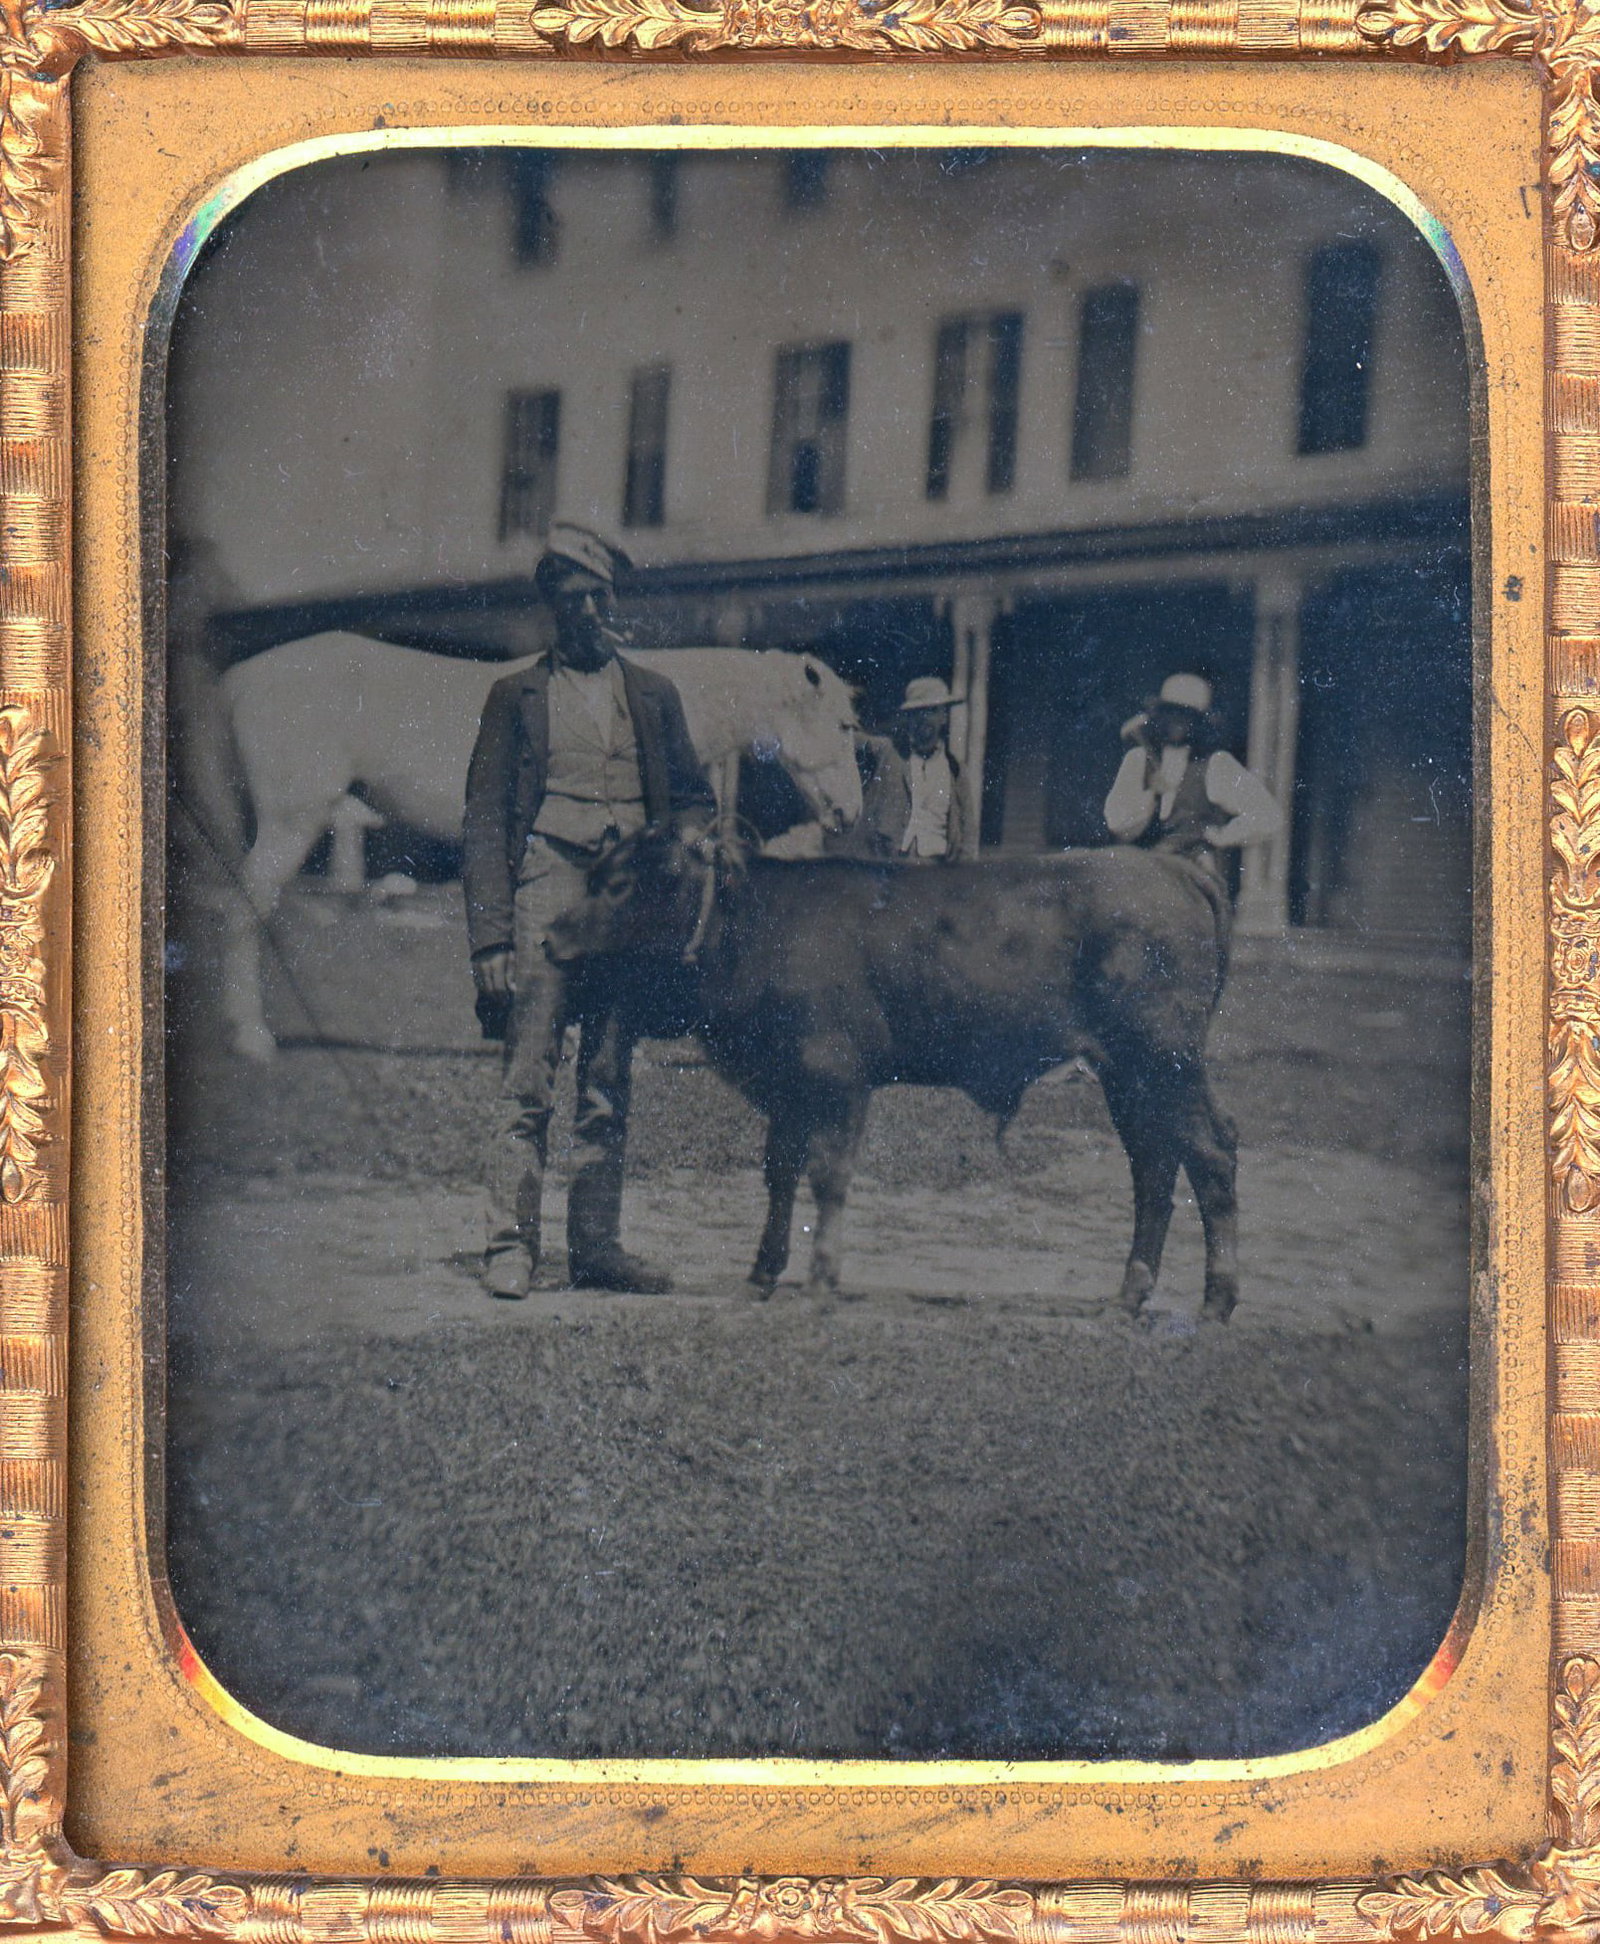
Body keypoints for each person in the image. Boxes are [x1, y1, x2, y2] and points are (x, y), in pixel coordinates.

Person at [462, 522, 714, 1300]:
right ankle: (511, 1244)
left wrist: (681, 848)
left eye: (599, 598)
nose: (588, 613)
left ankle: (597, 1247)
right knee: (529, 1077)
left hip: (627, 910)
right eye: (571, 601)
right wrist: (491, 940)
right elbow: (483, 818)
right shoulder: (516, 698)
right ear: (552, 610)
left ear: (615, 602)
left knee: (608, 1077)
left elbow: (697, 799)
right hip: (545, 891)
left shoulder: (653, 695)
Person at [1103, 672, 1280, 970]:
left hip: (1190, 869)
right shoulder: (1138, 759)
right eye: (1171, 713)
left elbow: (1269, 816)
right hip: (1140, 868)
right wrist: (1150, 794)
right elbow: (1118, 823)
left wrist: (1221, 836)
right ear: (1159, 715)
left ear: (1199, 721)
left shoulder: (1216, 766)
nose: (1177, 723)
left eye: (1186, 716)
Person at [830, 677, 969, 862]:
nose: (924, 718)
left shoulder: (955, 768)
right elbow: (845, 739)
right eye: (917, 712)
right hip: (890, 866)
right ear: (908, 718)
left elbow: (968, 830)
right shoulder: (888, 751)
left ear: (944, 717)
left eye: (932, 711)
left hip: (937, 871)